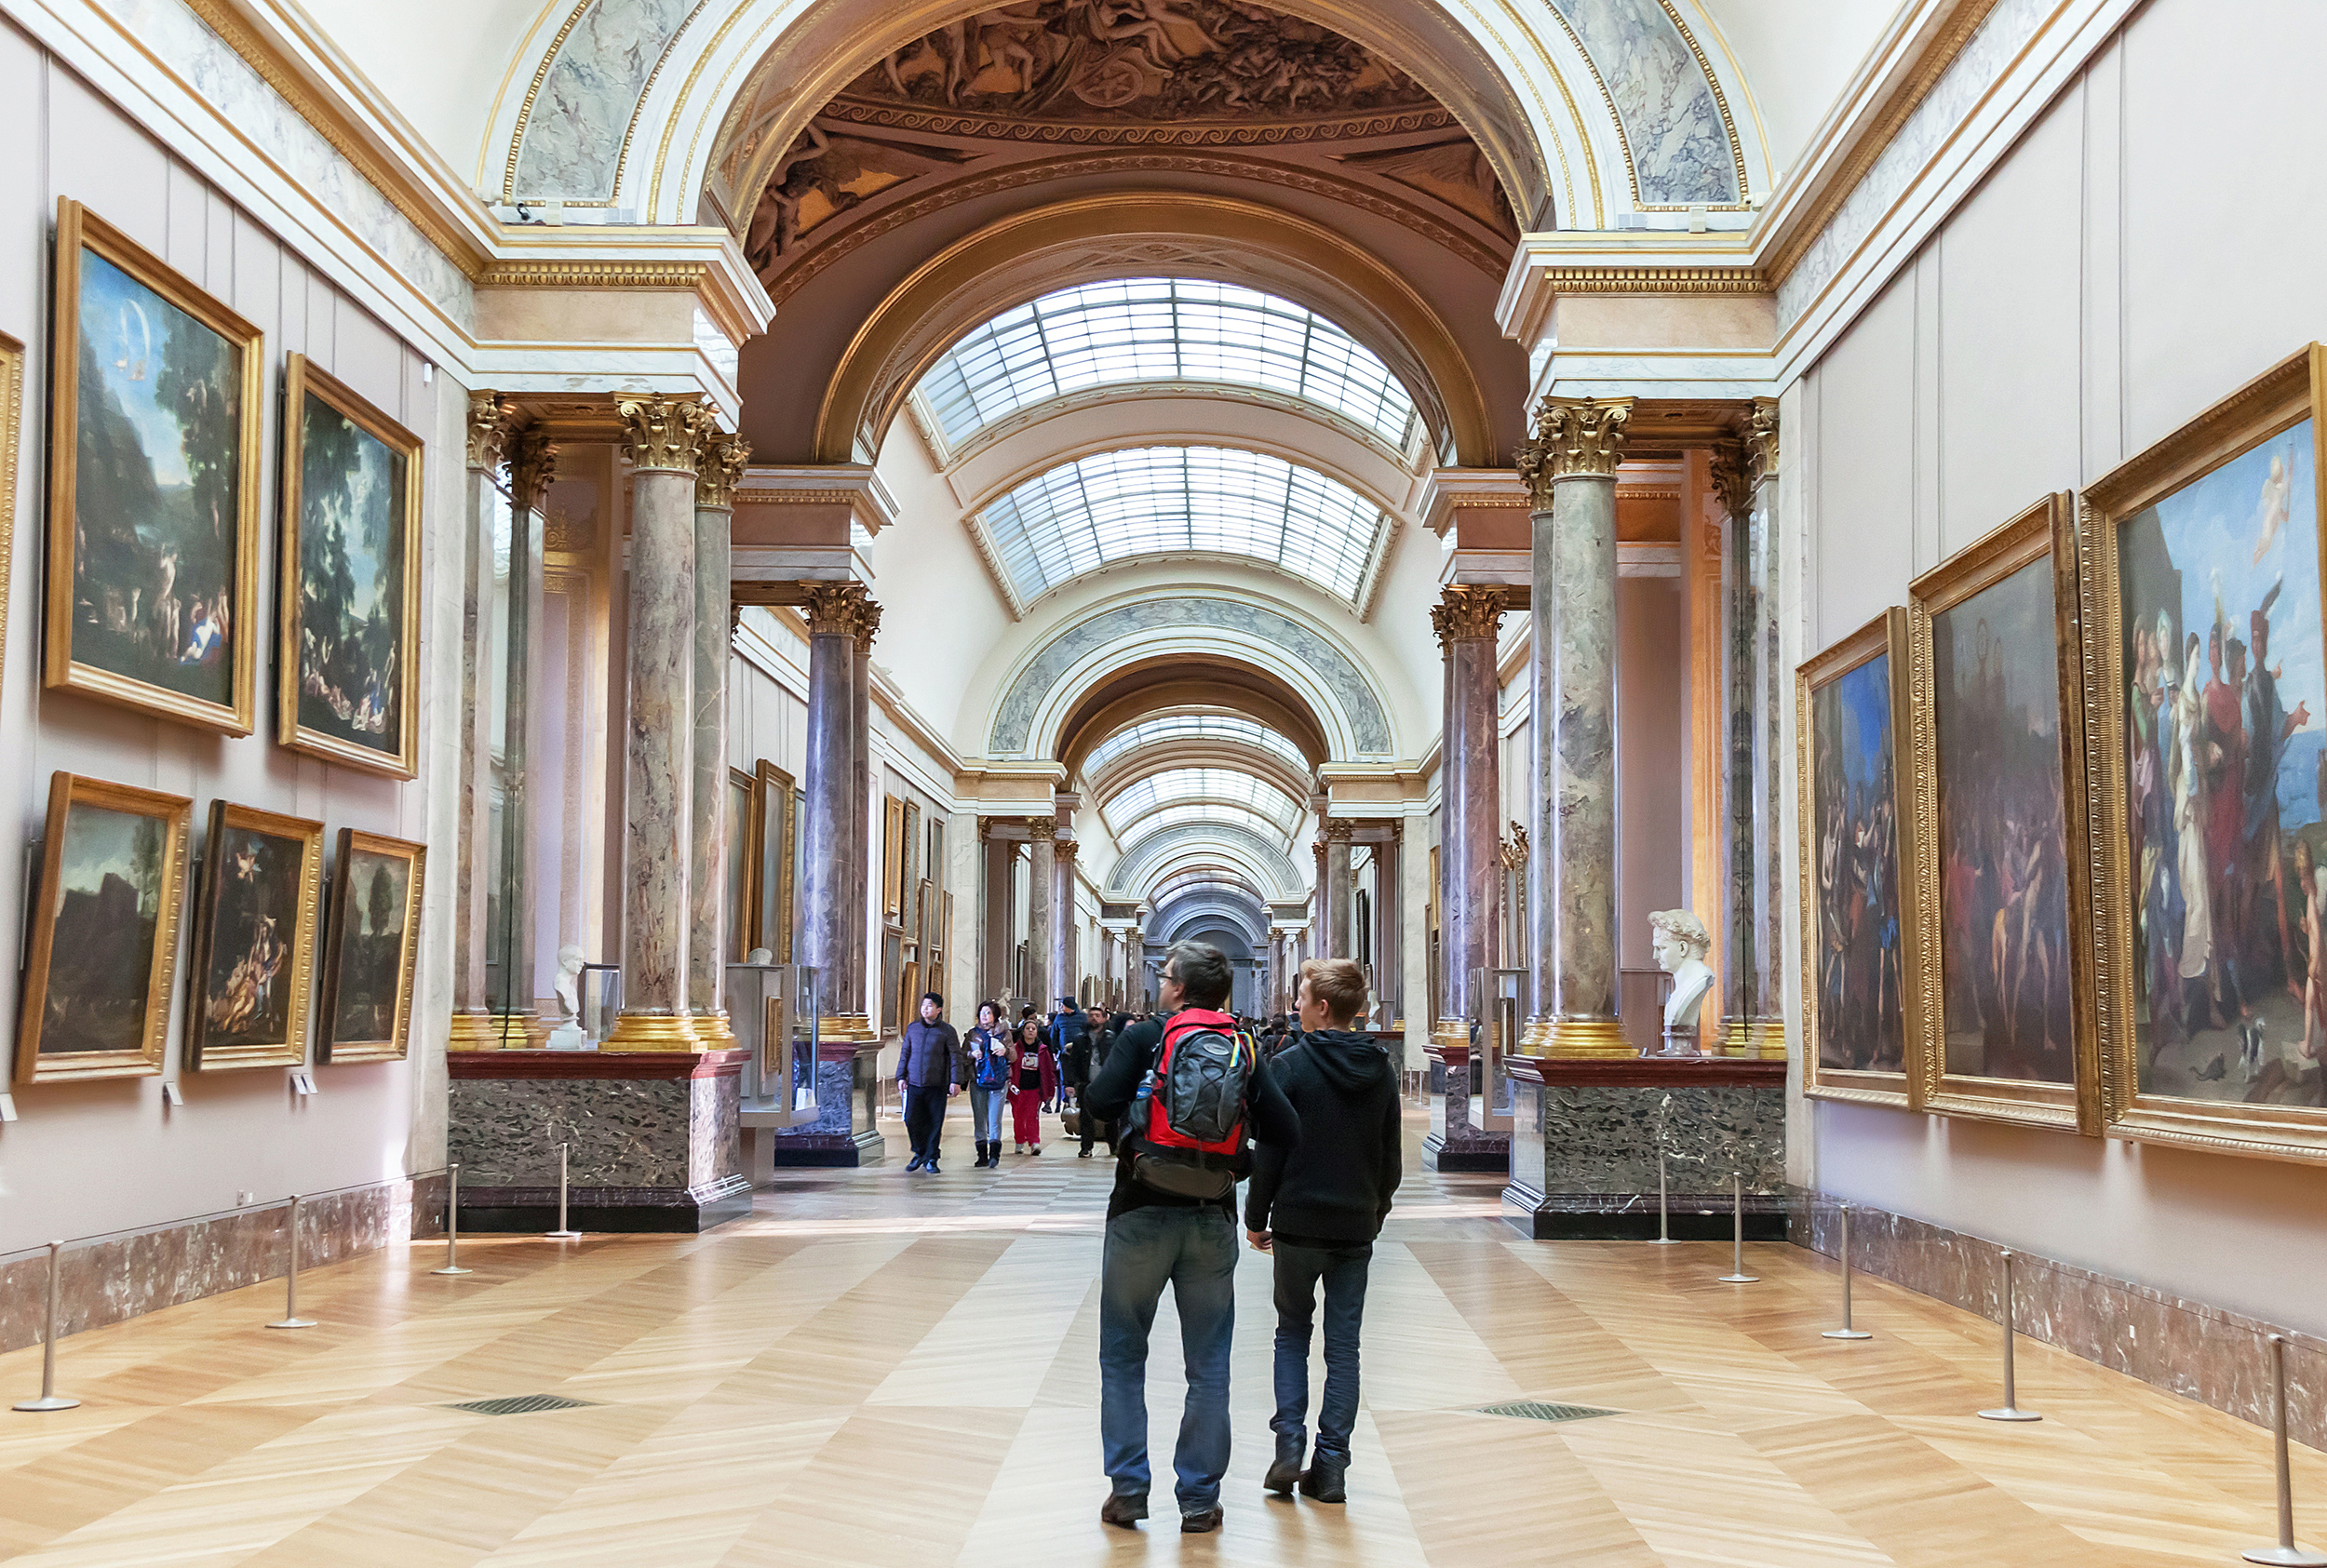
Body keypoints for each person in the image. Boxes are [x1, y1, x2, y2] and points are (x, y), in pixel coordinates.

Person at [1083, 941, 1298, 1534]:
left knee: (1123, 1356)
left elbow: (1097, 1102)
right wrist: (1238, 1161)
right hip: (1210, 1217)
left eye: (1165, 975)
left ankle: (1128, 1490)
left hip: (1140, 1211)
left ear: (1179, 988)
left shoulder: (1148, 1036)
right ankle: (1199, 1500)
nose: (1160, 982)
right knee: (1209, 1365)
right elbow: (1286, 1128)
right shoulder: (1243, 1045)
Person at [1244, 958, 1400, 1505]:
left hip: (1298, 1224)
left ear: (1324, 1007)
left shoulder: (1287, 1066)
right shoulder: (1381, 1068)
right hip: (1354, 1225)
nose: (1296, 1005)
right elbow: (1391, 1157)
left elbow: (1271, 1150)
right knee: (1344, 1349)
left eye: (1302, 996)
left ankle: (1289, 1445)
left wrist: (1256, 1216)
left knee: (1291, 1332)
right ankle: (1331, 1467)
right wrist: (1374, 1210)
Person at [895, 993, 963, 1173]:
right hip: (915, 1084)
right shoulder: (913, 1029)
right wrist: (900, 1076)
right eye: (923, 1005)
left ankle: (932, 1158)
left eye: (930, 1006)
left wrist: (956, 1081)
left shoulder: (947, 1031)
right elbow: (905, 1054)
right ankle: (920, 1152)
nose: (925, 1009)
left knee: (934, 1122)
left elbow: (956, 1057)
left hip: (936, 1084)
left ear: (939, 1009)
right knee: (911, 1119)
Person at [964, 1000, 1012, 1169]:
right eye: (982, 1013)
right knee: (979, 1118)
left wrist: (1005, 1051)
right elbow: (963, 1055)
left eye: (988, 1013)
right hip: (978, 1080)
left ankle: (994, 1155)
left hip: (999, 1081)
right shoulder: (972, 1034)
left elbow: (1013, 1056)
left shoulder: (1005, 1033)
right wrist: (971, 1053)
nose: (985, 1016)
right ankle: (982, 1155)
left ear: (995, 1015)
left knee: (994, 1119)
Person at [1007, 1014, 1056, 1155]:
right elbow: (1010, 1067)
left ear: (1036, 1032)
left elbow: (1048, 1071)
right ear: (1023, 1032)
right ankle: (1019, 1140)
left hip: (1034, 1089)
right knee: (1018, 1116)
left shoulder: (1042, 1050)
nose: (1030, 1031)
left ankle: (1034, 1142)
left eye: (1033, 1029)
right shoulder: (1015, 1049)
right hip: (1018, 1088)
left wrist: (1049, 1091)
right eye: (1028, 1028)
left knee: (1032, 1116)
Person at [1047, 998, 1089, 1112]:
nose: (1061, 1008)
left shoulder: (1083, 1017)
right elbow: (1054, 1035)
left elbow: (1086, 1033)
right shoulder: (1059, 1018)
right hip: (1064, 1054)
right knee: (1064, 1078)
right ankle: (1066, 1101)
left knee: (1080, 1076)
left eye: (1063, 1005)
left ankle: (1079, 1099)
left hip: (1080, 1054)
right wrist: (1056, 1050)